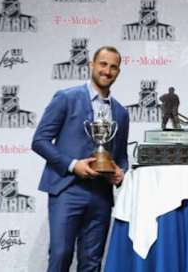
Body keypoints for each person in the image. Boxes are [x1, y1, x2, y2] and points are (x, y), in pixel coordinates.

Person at [32, 46, 129, 272]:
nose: (107, 71)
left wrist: (120, 172)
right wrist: (73, 165)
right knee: (60, 255)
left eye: (113, 67)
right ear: (91, 65)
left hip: (101, 195)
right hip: (67, 189)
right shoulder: (66, 98)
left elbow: (121, 156)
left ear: (118, 72)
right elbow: (40, 141)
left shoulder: (121, 113)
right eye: (103, 64)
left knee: (92, 262)